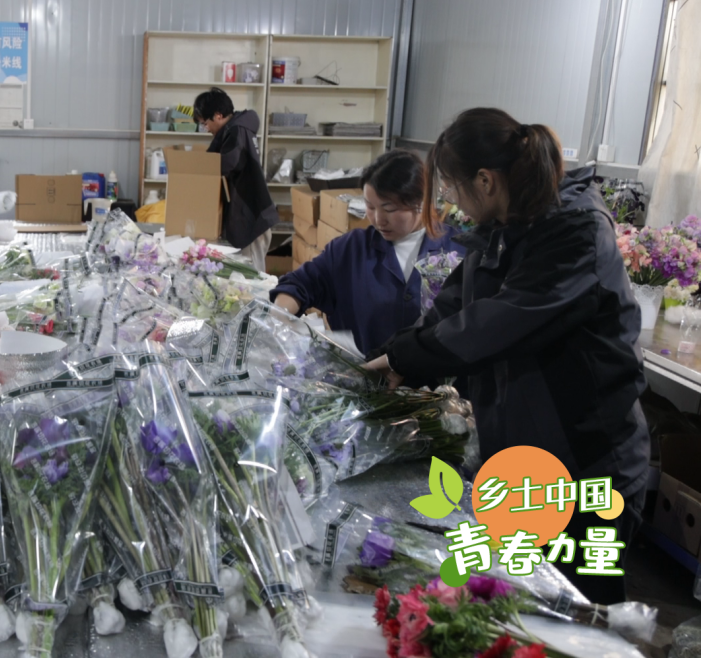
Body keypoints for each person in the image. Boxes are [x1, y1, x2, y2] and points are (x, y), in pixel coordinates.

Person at [364, 108, 649, 604]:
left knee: (577, 611)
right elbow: (453, 306)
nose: (449, 200)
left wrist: (411, 359)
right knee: (525, 605)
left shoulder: (574, 232)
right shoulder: (507, 225)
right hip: (527, 457)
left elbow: (494, 324)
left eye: (451, 187)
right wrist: (390, 356)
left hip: (585, 462)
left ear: (486, 180)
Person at [270, 149, 464, 356]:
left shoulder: (458, 250)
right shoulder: (350, 250)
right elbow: (298, 285)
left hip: (435, 385)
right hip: (363, 380)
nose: (378, 219)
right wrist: (279, 320)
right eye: (370, 207)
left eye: (389, 209)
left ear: (421, 203)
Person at [193, 88, 278, 273]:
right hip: (248, 216)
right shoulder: (234, 130)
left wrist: (196, 171)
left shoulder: (237, 131)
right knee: (243, 277)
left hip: (253, 218)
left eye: (205, 123)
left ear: (218, 115)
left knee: (253, 280)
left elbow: (223, 164)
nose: (205, 128)